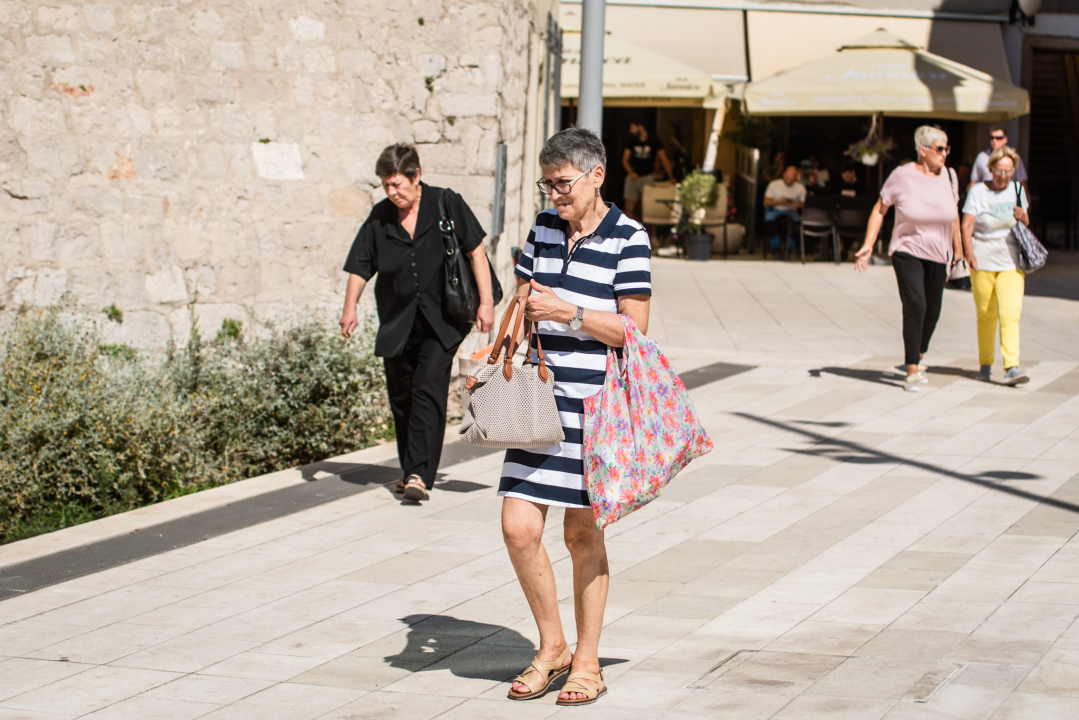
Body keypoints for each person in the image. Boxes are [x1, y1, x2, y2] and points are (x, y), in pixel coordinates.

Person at [503, 127, 651, 706]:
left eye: (562, 183)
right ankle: (553, 646)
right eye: (548, 184)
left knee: (581, 533)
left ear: (597, 176)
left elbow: (633, 330)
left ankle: (587, 662)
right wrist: (502, 341)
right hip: (536, 400)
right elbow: (521, 298)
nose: (555, 194)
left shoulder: (629, 237)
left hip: (594, 408)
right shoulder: (543, 227)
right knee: (518, 528)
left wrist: (568, 312)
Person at [340, 144, 495, 502]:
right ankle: (411, 469)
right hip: (397, 322)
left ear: (416, 176)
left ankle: (418, 475)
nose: (392, 192)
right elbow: (360, 265)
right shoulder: (380, 216)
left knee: (427, 389)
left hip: (443, 321)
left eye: (396, 184)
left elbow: (476, 251)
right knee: (402, 398)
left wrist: (486, 304)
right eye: (386, 185)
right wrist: (350, 309)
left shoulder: (445, 203)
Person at [854, 126, 962, 392]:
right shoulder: (902, 176)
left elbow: (954, 216)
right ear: (922, 150)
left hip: (940, 253)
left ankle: (919, 352)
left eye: (947, 148)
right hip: (907, 249)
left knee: (933, 311)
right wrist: (868, 244)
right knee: (916, 304)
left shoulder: (950, 176)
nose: (945, 153)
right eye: (940, 148)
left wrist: (959, 250)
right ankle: (912, 369)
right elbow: (880, 210)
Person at [961, 145, 1031, 386]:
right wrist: (968, 254)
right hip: (982, 260)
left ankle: (1012, 367)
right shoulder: (978, 191)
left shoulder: (1018, 189)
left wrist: (1022, 216)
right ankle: (986, 363)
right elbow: (966, 225)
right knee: (986, 315)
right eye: (1000, 170)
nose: (1004, 176)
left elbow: (1026, 222)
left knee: (1011, 313)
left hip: (1011, 261)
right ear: (990, 169)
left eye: (1008, 171)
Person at [622, 122, 673, 220]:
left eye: (633, 128)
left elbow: (664, 159)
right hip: (633, 176)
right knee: (629, 206)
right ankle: (627, 228)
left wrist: (671, 177)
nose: (630, 131)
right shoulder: (631, 140)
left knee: (649, 206)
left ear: (640, 127)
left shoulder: (654, 140)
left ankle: (649, 230)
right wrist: (631, 173)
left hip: (648, 176)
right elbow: (625, 159)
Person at [970, 125, 1028, 195]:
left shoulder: (1013, 157)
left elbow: (1022, 182)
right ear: (990, 169)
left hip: (1008, 196)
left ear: (1005, 139)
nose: (994, 141)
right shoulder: (982, 157)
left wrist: (1024, 200)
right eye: (992, 138)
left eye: (998, 138)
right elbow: (974, 181)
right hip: (987, 196)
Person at [763, 166, 806, 257]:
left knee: (798, 223)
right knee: (769, 220)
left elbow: (804, 205)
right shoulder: (774, 184)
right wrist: (779, 201)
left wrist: (796, 204)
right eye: (788, 178)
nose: (789, 181)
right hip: (776, 209)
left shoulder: (800, 188)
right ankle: (776, 249)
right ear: (784, 174)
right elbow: (765, 203)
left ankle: (788, 249)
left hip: (791, 211)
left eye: (792, 179)